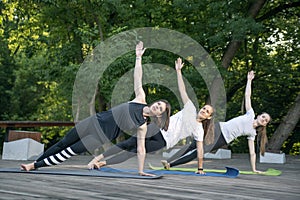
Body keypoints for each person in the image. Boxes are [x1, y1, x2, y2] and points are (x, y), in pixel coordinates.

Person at [21, 41, 171, 176]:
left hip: (99, 137)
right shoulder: (140, 99)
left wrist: (140, 170)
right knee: (62, 143)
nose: (157, 107)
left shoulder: (142, 126)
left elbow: (141, 149)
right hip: (94, 121)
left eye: (160, 109)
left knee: (68, 152)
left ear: (158, 115)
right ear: (154, 103)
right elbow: (137, 78)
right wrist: (138, 57)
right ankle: (35, 164)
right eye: (158, 104)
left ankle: (33, 165)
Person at [88, 57, 214, 174]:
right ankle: (96, 159)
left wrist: (200, 168)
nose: (204, 110)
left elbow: (200, 150)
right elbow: (182, 90)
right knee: (127, 143)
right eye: (204, 108)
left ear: (208, 117)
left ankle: (102, 163)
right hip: (157, 129)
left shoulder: (199, 130)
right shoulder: (190, 109)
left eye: (207, 111)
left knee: (132, 151)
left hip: (163, 141)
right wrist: (178, 71)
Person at [161, 71, 271, 174]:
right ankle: (168, 160)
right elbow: (247, 96)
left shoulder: (252, 133)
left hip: (223, 139)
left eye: (266, 120)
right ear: (259, 115)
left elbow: (252, 153)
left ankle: (171, 164)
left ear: (265, 124)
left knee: (199, 152)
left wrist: (254, 169)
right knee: (193, 145)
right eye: (263, 117)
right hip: (218, 128)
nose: (264, 119)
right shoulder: (250, 114)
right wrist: (249, 80)